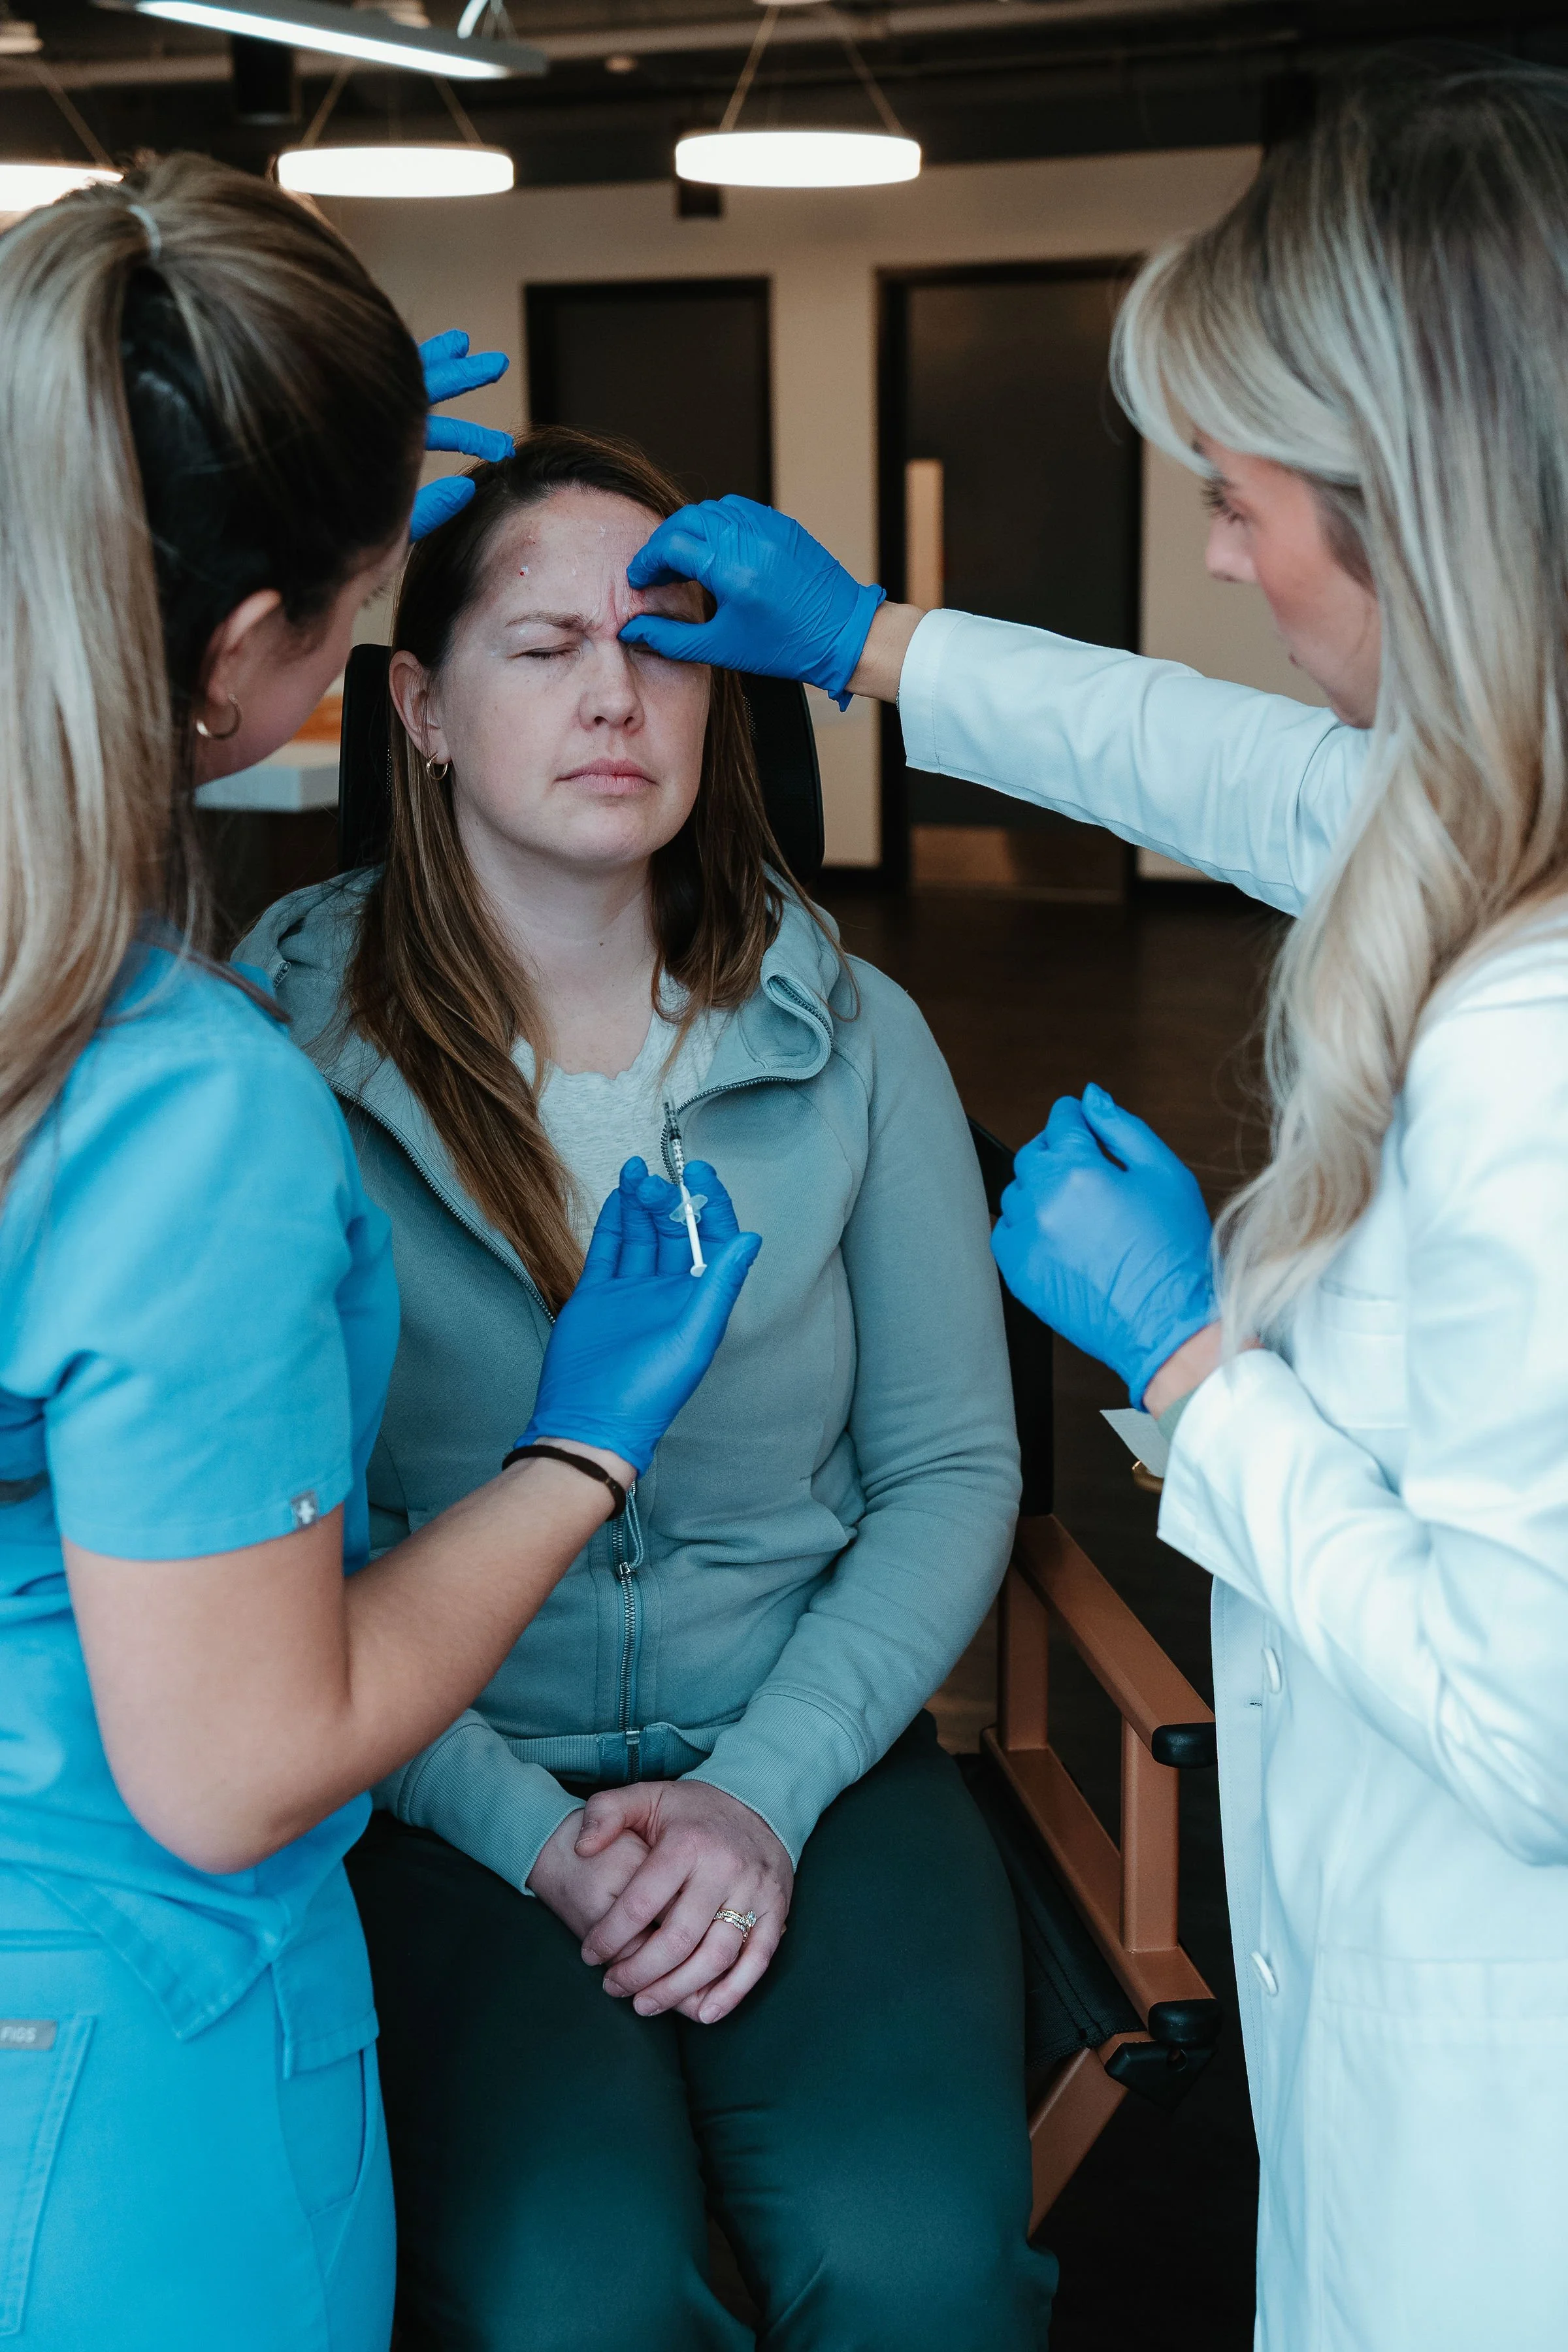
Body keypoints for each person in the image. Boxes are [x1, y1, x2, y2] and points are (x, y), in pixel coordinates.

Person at [609, 64, 1568, 2352]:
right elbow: (1235, 768)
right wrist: (872, 646)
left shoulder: (1531, 1028)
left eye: (1240, 502)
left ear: (1415, 504)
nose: (1222, 558)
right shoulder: (1489, 807)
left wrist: (1187, 1370)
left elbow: (1537, 1731)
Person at [0, 161, 758, 2352]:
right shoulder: (190, 1100)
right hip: (118, 2092)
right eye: (373, 613)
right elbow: (236, 1758)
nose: (607, 695)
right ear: (318, 673)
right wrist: (586, 1445)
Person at [237, 425, 1058, 2352]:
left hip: (814, 1757)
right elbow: (291, 1568)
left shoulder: (854, 1034)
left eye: (669, 643)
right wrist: (536, 1837)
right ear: (422, 709)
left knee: (919, 2269)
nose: (617, 693)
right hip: (441, 1793)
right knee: (568, 2296)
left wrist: (758, 1798)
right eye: (542, 649)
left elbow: (949, 1467)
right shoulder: (277, 1048)